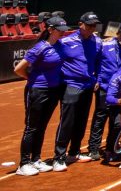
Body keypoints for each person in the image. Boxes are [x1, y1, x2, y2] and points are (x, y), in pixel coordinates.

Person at [14, 16, 68, 176]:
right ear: (50, 30)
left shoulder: (59, 45)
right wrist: (31, 79)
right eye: (59, 30)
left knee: (42, 125)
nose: (63, 33)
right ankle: (24, 164)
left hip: (53, 90)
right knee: (32, 127)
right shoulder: (40, 47)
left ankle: (36, 159)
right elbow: (18, 69)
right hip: (37, 91)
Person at [52, 11, 102, 171]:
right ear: (81, 24)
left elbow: (99, 62)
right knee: (67, 121)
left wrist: (97, 79)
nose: (92, 28)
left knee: (81, 120)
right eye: (89, 25)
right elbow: (54, 59)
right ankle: (59, 157)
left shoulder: (97, 42)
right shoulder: (65, 42)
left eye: (94, 26)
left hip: (88, 86)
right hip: (71, 85)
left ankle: (74, 152)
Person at [87, 21, 121, 161]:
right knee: (100, 117)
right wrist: (96, 78)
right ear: (118, 34)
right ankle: (94, 148)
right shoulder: (105, 45)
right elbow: (95, 61)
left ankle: (110, 148)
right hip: (104, 86)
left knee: (116, 120)